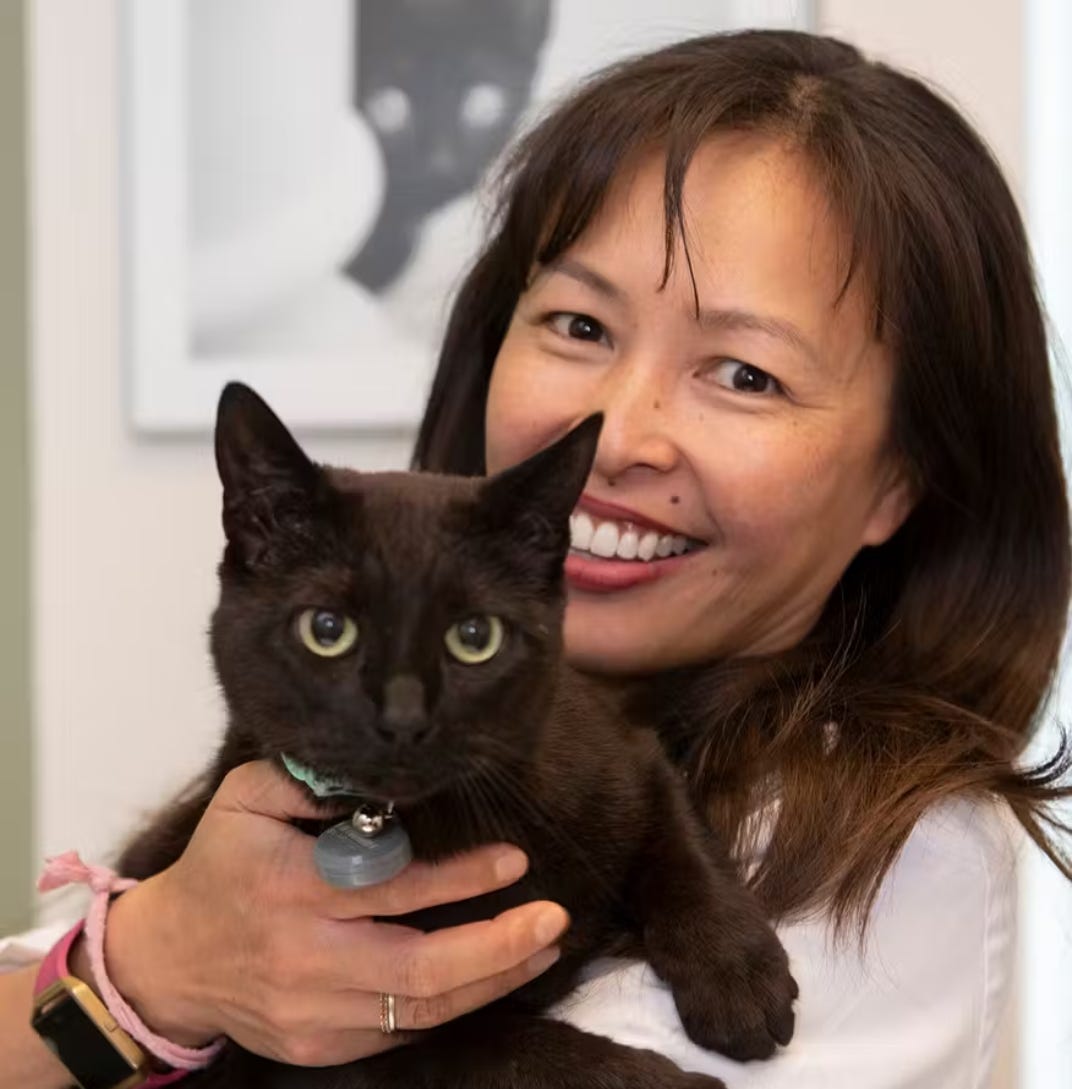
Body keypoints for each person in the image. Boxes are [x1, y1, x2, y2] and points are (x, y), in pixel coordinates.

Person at [3, 28, 1070, 1089]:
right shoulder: (420, 718)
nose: (616, 432)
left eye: (744, 374)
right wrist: (144, 970)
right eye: (577, 323)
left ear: (899, 480)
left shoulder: (886, 851)